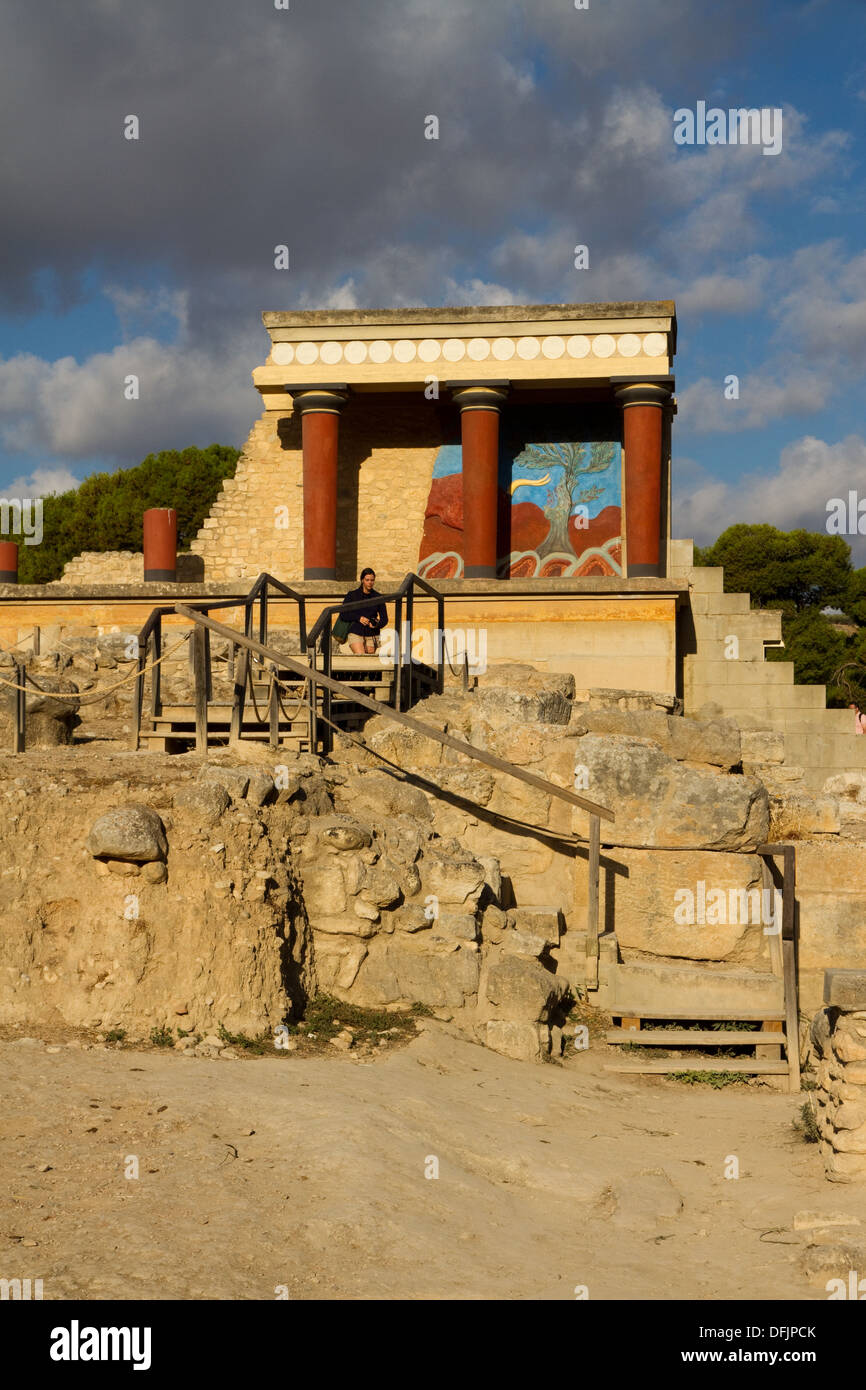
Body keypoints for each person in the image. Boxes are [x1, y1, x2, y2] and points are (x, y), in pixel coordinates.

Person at [340, 568, 388, 655]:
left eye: (372, 580)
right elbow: (343, 614)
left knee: (369, 660)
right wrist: (359, 618)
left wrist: (376, 624)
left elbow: (385, 619)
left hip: (372, 633)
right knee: (360, 655)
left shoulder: (378, 597)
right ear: (362, 580)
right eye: (367, 580)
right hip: (355, 631)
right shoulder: (352, 595)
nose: (370, 582)